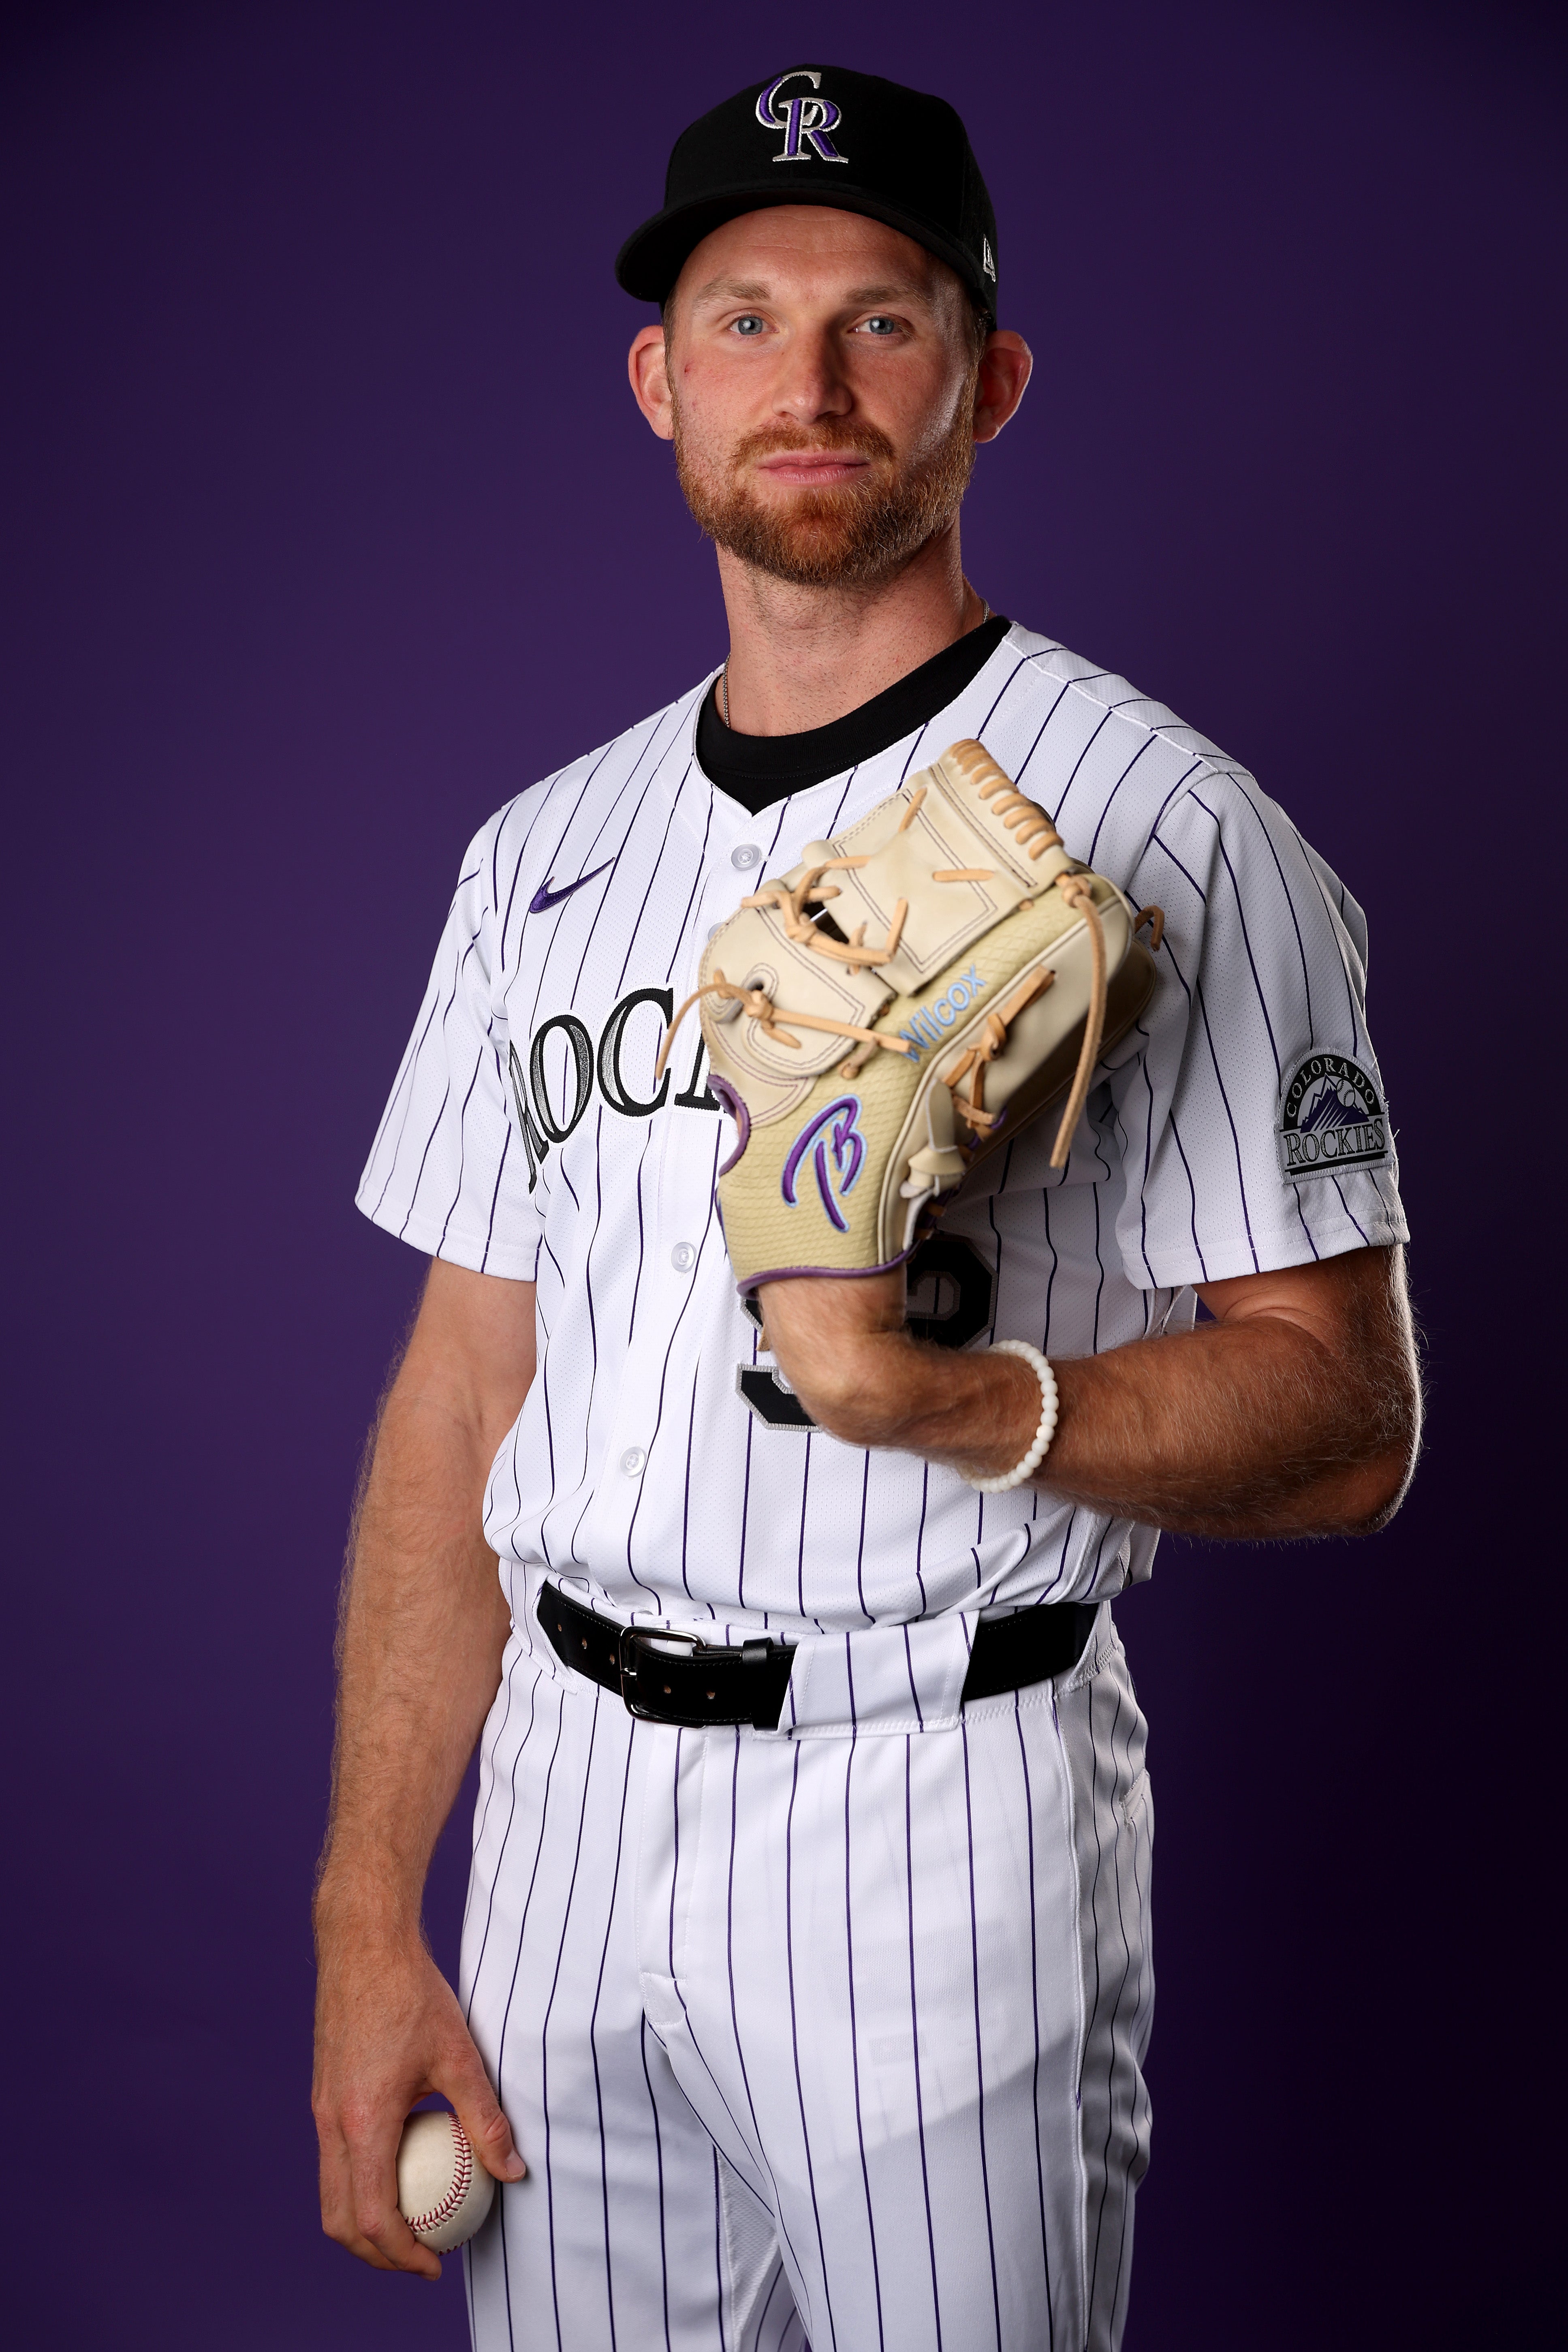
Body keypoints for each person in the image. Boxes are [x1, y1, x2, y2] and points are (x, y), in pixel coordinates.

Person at [312, 64, 1420, 2352]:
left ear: (988, 379)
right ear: (658, 381)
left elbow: (1347, 1421)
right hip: (560, 1829)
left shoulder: (1177, 834)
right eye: (742, 320)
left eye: (882, 323)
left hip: (941, 1816)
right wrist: (367, 1919)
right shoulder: (537, 857)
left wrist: (943, 1398)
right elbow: (458, 1399)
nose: (804, 384)